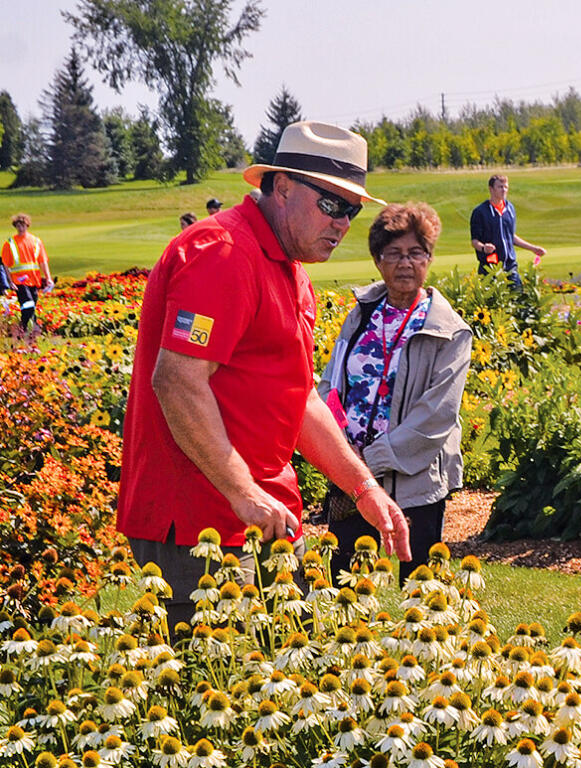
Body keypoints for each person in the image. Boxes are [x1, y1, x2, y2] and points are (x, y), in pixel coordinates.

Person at [117, 121, 411, 628]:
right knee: (217, 690)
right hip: (199, 525)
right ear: (282, 187)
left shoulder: (290, 269)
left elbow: (300, 402)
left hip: (266, 516)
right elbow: (177, 380)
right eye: (331, 204)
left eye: (352, 210)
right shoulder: (223, 254)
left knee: (287, 682)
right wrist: (244, 492)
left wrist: (364, 488)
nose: (342, 223)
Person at [317, 202, 473, 580]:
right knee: (345, 581)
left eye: (416, 253)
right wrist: (339, 450)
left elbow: (436, 416)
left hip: (414, 478)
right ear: (378, 260)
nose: (406, 263)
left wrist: (371, 458)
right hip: (352, 476)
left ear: (429, 259)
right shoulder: (362, 314)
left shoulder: (448, 330)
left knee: (418, 587)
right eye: (394, 254)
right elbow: (330, 384)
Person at [470, 174, 547, 289]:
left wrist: (533, 248)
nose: (504, 190)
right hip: (490, 265)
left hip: (510, 265)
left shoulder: (510, 209)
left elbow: (511, 237)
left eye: (506, 187)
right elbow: (474, 241)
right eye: (500, 187)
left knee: (518, 296)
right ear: (491, 189)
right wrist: (483, 248)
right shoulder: (480, 212)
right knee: (491, 302)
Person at [2, 214, 54, 334]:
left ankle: (28, 329)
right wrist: (10, 282)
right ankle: (30, 328)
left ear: (27, 225)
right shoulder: (10, 243)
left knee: (30, 306)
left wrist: (48, 278)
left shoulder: (36, 242)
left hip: (34, 280)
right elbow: (6, 265)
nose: (21, 228)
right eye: (18, 226)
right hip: (19, 282)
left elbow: (43, 261)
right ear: (15, 227)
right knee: (28, 304)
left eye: (23, 225)